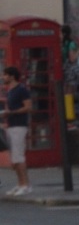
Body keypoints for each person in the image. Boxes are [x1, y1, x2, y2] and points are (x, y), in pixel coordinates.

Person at [2, 66, 33, 196]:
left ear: (12, 76)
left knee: (19, 157)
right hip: (11, 125)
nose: (2, 77)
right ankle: (20, 184)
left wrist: (12, 112)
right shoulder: (10, 91)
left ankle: (26, 185)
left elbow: (28, 107)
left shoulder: (21, 90)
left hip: (19, 125)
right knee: (14, 158)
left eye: (5, 75)